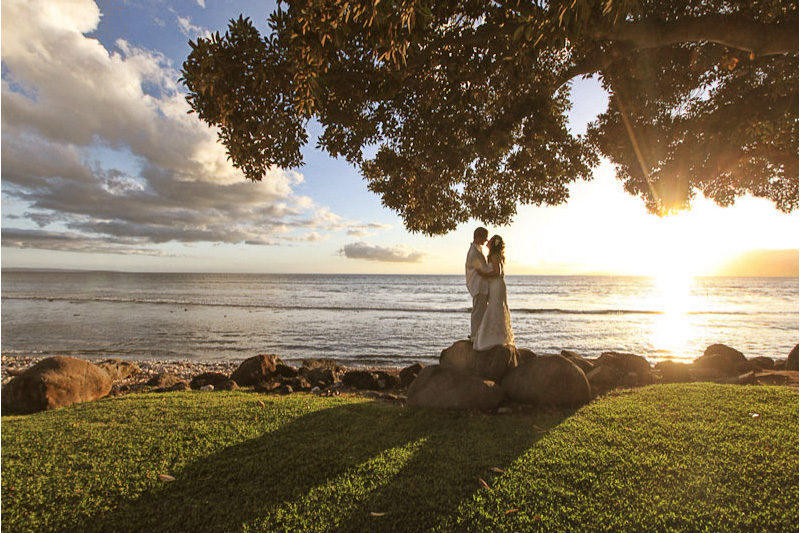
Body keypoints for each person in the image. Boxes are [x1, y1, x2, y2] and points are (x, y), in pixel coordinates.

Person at [472, 234, 515, 351]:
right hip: (495, 285)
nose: (487, 241)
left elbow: (497, 272)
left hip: (496, 285)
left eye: (489, 240)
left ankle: (492, 338)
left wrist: (483, 274)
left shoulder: (494, 256)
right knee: (496, 308)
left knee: (495, 307)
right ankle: (498, 337)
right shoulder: (494, 256)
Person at [465, 227, 491, 341]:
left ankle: (478, 334)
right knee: (478, 312)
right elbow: (482, 269)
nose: (486, 240)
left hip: (481, 285)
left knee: (480, 312)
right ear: (479, 237)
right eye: (485, 238)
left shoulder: (477, 250)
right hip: (479, 285)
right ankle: (475, 336)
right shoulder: (474, 252)